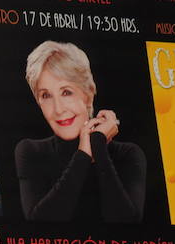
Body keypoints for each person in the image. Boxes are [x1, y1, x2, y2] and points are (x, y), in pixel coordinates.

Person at [14, 41, 146, 223]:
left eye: (66, 92)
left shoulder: (128, 154)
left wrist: (98, 143)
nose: (58, 109)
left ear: (88, 93)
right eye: (46, 95)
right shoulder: (30, 152)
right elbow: (40, 223)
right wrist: (84, 154)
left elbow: (127, 222)